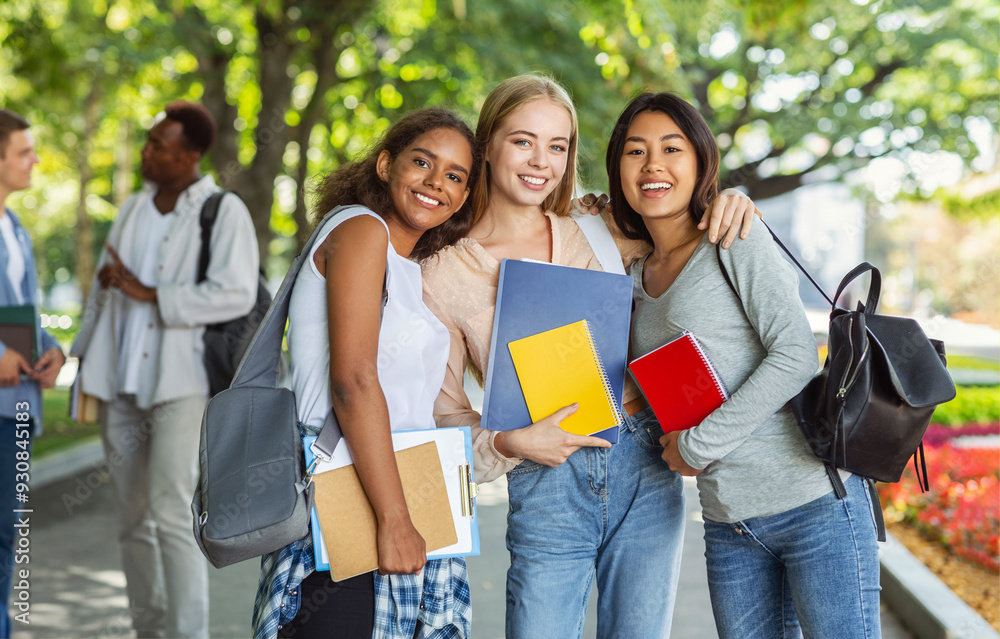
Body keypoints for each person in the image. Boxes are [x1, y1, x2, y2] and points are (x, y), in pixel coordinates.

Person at [420, 74, 757, 638]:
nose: (540, 162)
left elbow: (686, 227)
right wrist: (508, 442)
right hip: (546, 481)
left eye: (558, 146)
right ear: (488, 145)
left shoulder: (600, 228)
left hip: (646, 461)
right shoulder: (445, 271)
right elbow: (443, 417)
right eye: (523, 141)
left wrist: (732, 201)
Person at [609, 92, 881, 638]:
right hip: (728, 523)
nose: (653, 165)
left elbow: (796, 354)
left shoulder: (733, 237)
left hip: (812, 505)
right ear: (619, 168)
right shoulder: (635, 272)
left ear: (700, 161)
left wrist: (696, 446)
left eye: (671, 148)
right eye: (635, 151)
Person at [252, 107, 480, 639]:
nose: (435, 183)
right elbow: (353, 382)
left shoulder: (403, 263)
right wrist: (395, 519)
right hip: (353, 492)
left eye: (455, 176)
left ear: (465, 196)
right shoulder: (361, 229)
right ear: (385, 164)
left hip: (399, 483)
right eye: (422, 162)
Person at [71, 102, 260, 638]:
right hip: (120, 381)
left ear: (191, 155)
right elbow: (104, 287)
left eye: (159, 145)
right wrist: (80, 357)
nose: (148, 152)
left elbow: (236, 292)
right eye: (150, 142)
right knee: (131, 520)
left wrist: (153, 294)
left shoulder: (222, 211)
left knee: (170, 512)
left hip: (181, 384)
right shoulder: (132, 207)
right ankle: (148, 629)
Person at [0, 109, 66, 639]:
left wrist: (54, 351)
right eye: (24, 151)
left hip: (17, 410)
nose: (35, 161)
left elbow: (22, 312)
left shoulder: (15, 228)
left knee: (6, 539)